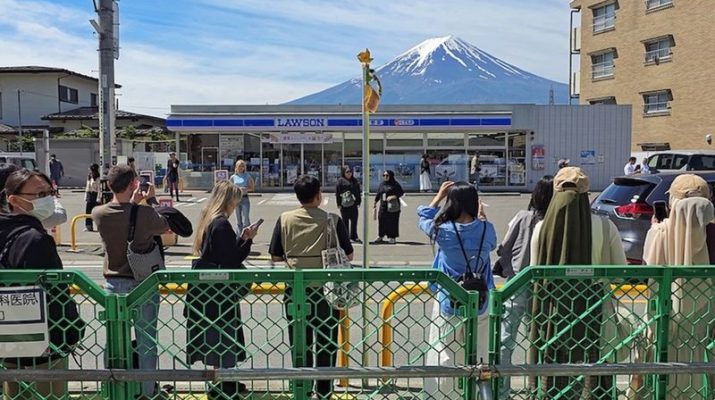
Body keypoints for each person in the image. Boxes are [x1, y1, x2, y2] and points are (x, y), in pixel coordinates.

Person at [528, 167, 626, 399]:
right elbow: (620, 273)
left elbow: (533, 273)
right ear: (586, 194)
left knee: (555, 374)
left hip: (551, 313)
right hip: (596, 313)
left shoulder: (541, 228)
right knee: (596, 372)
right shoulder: (605, 225)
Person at [628, 174, 715, 398]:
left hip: (666, 322)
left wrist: (655, 231)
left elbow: (650, 271)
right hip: (705, 328)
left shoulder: (661, 232)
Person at [0, 169, 83, 399]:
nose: (49, 199)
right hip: (44, 346)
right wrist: (72, 330)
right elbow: (56, 295)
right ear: (14, 200)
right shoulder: (35, 240)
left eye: (50, 192)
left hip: (7, 344)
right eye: (40, 194)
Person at [269, 175, 354, 399]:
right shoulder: (332, 220)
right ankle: (324, 391)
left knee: (299, 342)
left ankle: (302, 389)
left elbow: (276, 255)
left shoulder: (284, 219)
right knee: (326, 342)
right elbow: (349, 253)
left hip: (295, 290)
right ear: (318, 196)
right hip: (327, 291)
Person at [92, 164, 170, 399]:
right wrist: (148, 201)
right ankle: (147, 390)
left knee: (115, 340)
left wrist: (134, 205)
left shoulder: (99, 213)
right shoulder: (144, 213)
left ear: (108, 185)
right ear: (134, 184)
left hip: (113, 284)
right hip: (143, 283)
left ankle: (113, 387)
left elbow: (123, 217)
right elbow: (164, 227)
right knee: (146, 339)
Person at [417, 181, 497, 399]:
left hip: (449, 301)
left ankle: (442, 396)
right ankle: (481, 394)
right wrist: (482, 219)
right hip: (480, 301)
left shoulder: (443, 231)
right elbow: (491, 245)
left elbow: (422, 217)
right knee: (481, 355)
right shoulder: (486, 229)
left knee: (444, 354)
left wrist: (438, 196)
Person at [186, 180, 259, 399]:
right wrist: (247, 242)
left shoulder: (209, 220)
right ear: (228, 201)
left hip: (207, 291)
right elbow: (231, 258)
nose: (235, 207)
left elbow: (220, 252)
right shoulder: (221, 224)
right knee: (225, 338)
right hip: (220, 292)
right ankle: (224, 386)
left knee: (214, 338)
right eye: (235, 202)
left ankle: (222, 383)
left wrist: (241, 238)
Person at [494, 175, 554, 398]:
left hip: (518, 282)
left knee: (506, 339)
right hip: (548, 286)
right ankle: (540, 388)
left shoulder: (523, 217)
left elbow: (503, 248)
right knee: (542, 338)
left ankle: (501, 391)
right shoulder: (557, 221)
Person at [0, 163, 67, 228]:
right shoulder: (31, 219)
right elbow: (60, 216)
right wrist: (51, 195)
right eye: (41, 194)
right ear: (14, 200)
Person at [373, 170, 404, 244]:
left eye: (387, 175)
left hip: (393, 206)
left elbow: (401, 193)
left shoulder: (395, 184)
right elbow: (378, 194)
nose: (385, 177)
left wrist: (393, 196)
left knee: (392, 221)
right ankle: (380, 235)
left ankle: (392, 237)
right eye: (384, 175)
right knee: (381, 220)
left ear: (391, 176)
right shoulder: (382, 184)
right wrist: (375, 202)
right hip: (383, 206)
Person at [336, 166, 362, 243]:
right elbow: (337, 193)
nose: (349, 173)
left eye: (350, 172)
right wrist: (338, 203)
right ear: (344, 172)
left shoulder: (354, 181)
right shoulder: (340, 181)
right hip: (344, 204)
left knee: (354, 221)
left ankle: (354, 236)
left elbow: (358, 192)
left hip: (353, 204)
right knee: (345, 221)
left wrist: (358, 201)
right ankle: (346, 237)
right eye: (347, 172)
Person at [230, 160, 255, 233]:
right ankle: (238, 237)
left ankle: (248, 236)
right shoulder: (233, 177)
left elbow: (252, 188)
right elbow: (229, 188)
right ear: (236, 167)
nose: (241, 168)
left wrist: (246, 189)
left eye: (242, 166)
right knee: (238, 220)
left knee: (246, 219)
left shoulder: (247, 176)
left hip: (244, 198)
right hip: (236, 199)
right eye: (239, 166)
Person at [84, 163, 100, 231]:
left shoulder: (98, 178)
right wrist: (86, 196)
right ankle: (88, 226)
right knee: (88, 211)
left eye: (90, 169)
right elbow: (87, 187)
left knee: (96, 211)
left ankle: (99, 226)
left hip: (95, 194)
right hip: (89, 194)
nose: (89, 170)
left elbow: (99, 188)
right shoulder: (89, 176)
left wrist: (99, 197)